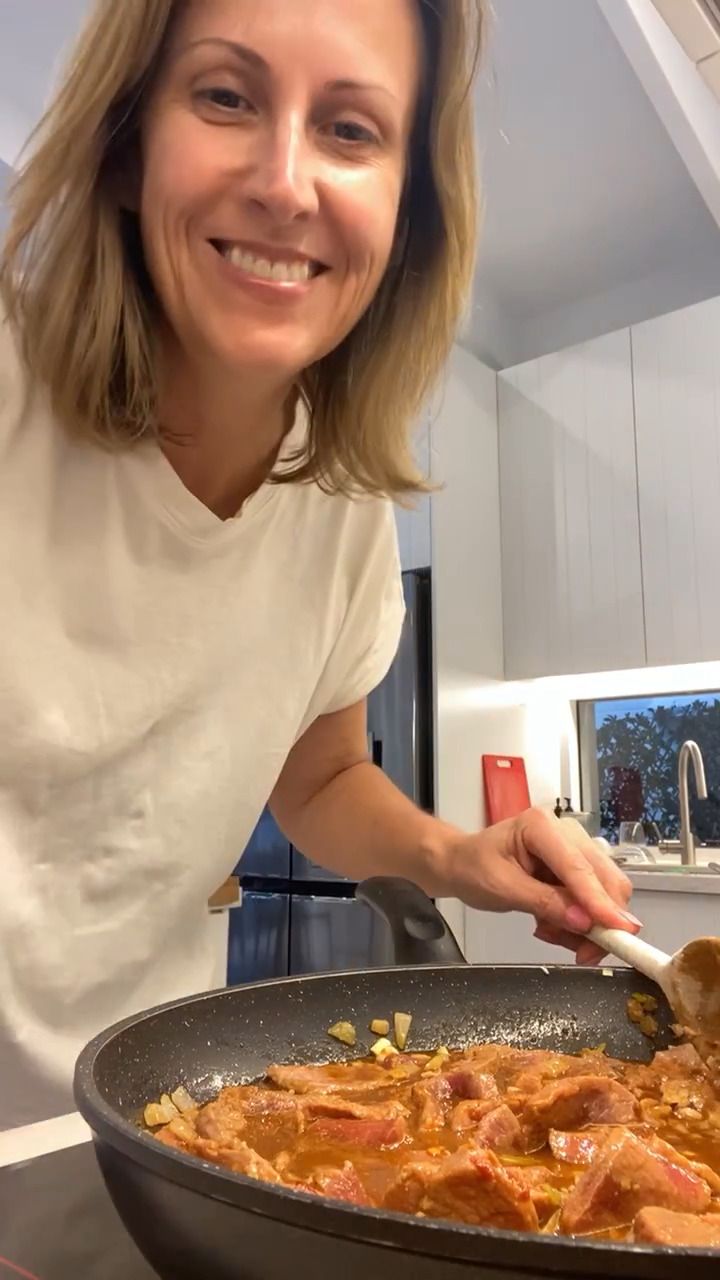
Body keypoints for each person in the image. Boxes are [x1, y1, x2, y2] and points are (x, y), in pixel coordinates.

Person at [0, 0, 637, 1131]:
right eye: (226, 96)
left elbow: (321, 777)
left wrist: (457, 854)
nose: (285, 183)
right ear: (127, 146)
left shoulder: (341, 508)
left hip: (141, 1121)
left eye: (350, 129)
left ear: (405, 211)